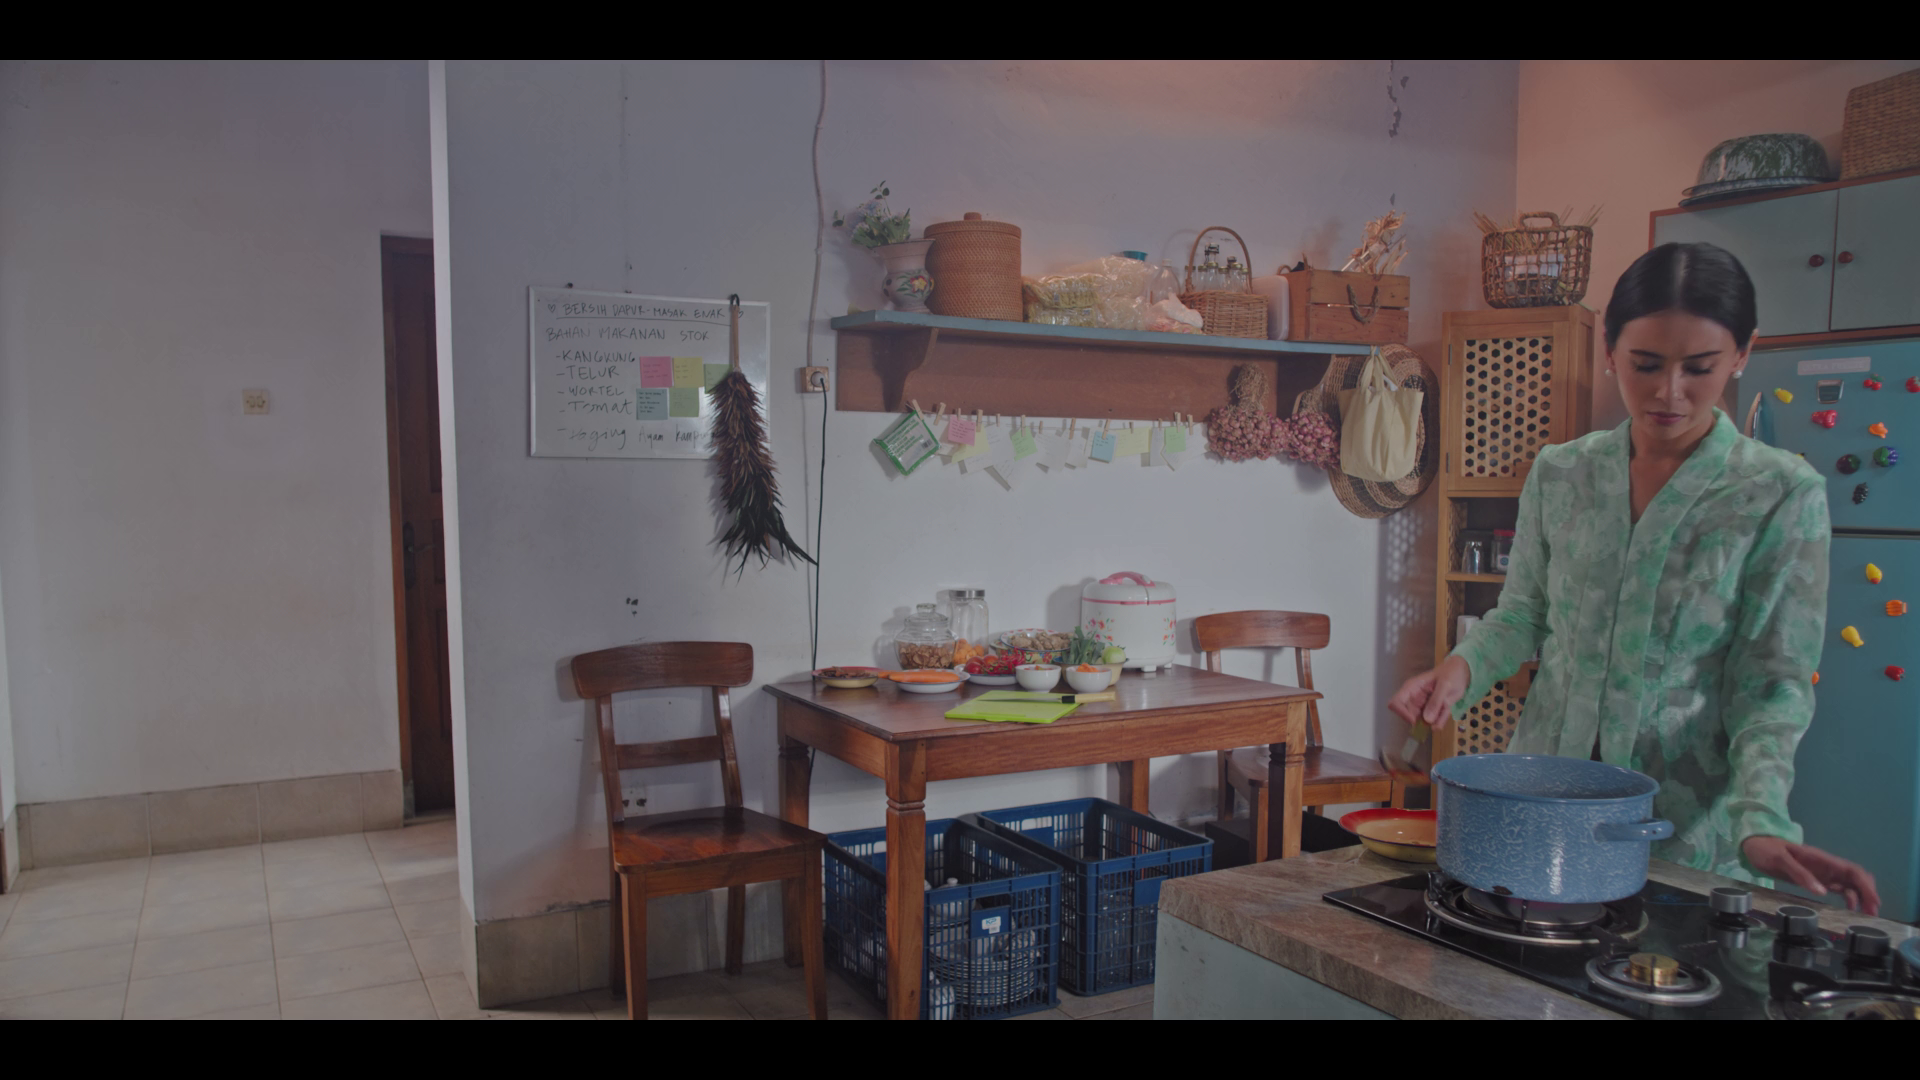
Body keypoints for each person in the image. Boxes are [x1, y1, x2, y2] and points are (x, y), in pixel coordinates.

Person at [1391, 242, 1880, 913]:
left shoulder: (1779, 493)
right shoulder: (1562, 472)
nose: (1668, 392)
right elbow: (1523, 614)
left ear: (1742, 354)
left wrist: (1761, 818)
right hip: (1544, 808)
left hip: (1683, 831)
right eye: (1645, 364)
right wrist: (1462, 668)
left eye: (1699, 368)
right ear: (1609, 349)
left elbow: (1771, 684)